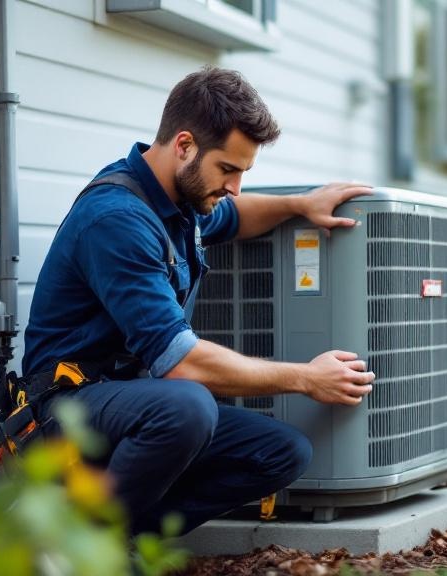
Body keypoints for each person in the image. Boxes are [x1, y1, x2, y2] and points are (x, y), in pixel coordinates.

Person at [21, 66, 376, 536]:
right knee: (188, 406)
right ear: (184, 145)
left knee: (282, 452)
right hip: (64, 408)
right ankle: (84, 547)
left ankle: (126, 534)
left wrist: (299, 205)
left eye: (243, 172)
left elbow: (235, 215)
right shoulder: (117, 220)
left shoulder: (179, 202)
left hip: (128, 403)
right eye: (228, 169)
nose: (235, 187)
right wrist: (306, 378)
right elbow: (181, 364)